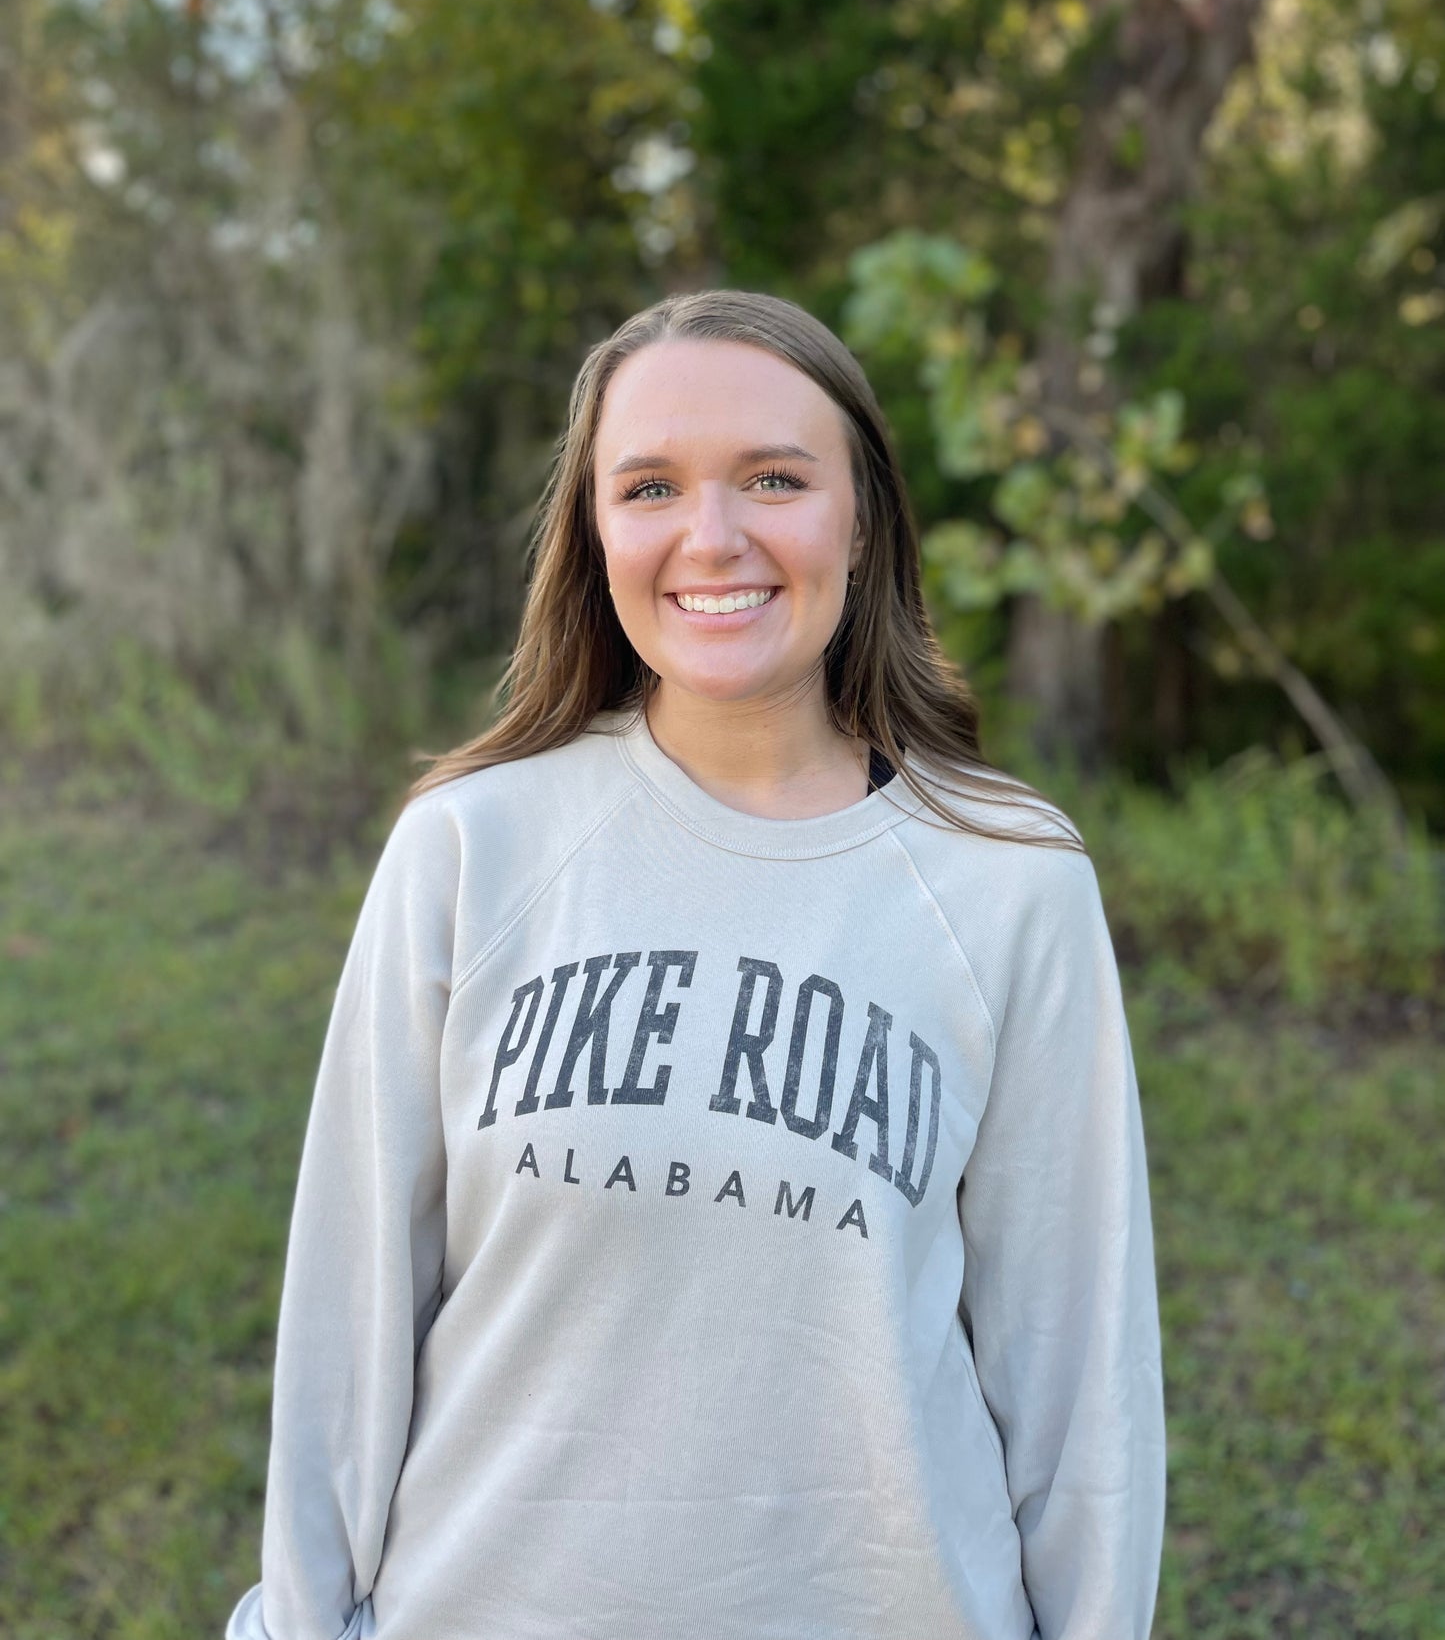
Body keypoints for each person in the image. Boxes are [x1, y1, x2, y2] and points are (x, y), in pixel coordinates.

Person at [225, 290, 1166, 1640]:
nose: (709, 537)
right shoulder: (470, 848)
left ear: (860, 517)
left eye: (773, 479)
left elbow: (1080, 1385)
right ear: (596, 529)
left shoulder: (1009, 879)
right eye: (649, 485)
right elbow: (349, 1311)